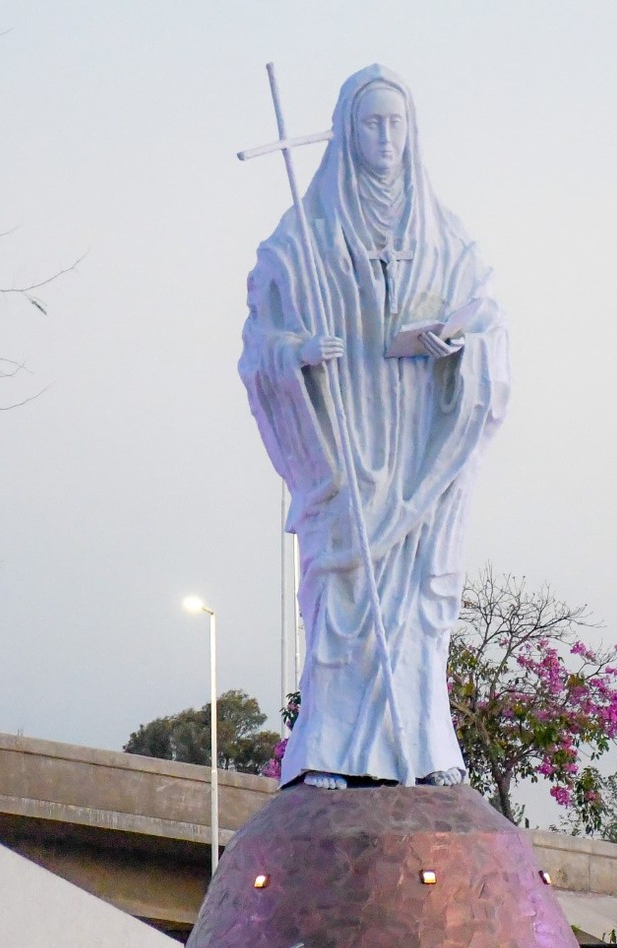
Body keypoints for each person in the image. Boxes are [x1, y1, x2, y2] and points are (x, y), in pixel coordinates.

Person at [239, 65, 510, 788]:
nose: (385, 139)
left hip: (421, 456)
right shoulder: (304, 239)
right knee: (344, 601)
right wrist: (295, 354)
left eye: (397, 124)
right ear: (346, 132)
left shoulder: (446, 239)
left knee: (420, 606)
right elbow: (260, 343)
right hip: (347, 454)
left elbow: (486, 324)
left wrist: (460, 347)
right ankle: (329, 749)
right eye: (371, 124)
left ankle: (422, 747)